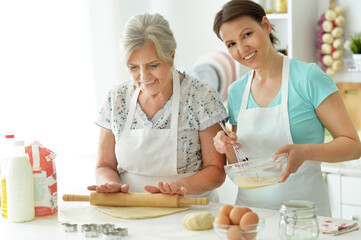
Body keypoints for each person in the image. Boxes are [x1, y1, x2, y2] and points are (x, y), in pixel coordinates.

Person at [212, 0, 361, 216]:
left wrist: (306, 151)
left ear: (266, 25)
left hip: (303, 216)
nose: (242, 49)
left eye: (247, 34)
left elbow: (353, 146)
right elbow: (241, 163)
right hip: (250, 215)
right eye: (231, 44)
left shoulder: (308, 77)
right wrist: (226, 147)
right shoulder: (237, 91)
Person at [87, 13, 228, 202]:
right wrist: (110, 184)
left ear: (171, 55)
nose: (144, 77)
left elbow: (216, 171)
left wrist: (180, 187)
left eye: (153, 65)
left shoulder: (201, 97)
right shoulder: (117, 98)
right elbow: (104, 165)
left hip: (188, 208)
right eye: (133, 67)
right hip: (132, 207)